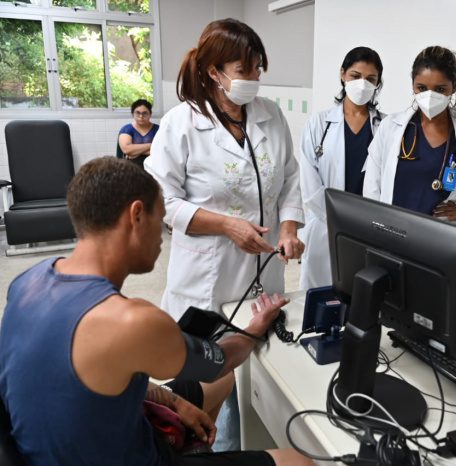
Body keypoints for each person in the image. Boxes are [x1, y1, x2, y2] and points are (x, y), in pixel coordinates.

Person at [0, 157, 312, 466]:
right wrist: (256, 325)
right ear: (136, 215)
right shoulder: (132, 321)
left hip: (50, 450)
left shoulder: (28, 281)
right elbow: (220, 360)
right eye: (161, 218)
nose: (165, 236)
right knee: (298, 461)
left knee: (222, 384)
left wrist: (175, 401)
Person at [144, 19, 304, 451]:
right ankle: (219, 449)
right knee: (212, 378)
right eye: (244, 68)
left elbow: (289, 178)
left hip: (262, 273)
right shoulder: (181, 124)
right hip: (207, 279)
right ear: (214, 72)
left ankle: (253, 442)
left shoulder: (271, 115)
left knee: (261, 369)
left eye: (258, 68)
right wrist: (226, 225)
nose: (254, 78)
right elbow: (163, 202)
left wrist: (288, 227)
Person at [363, 46, 456, 223]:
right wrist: (372, 225)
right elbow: (372, 185)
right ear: (413, 84)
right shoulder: (390, 127)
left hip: (435, 237)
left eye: (440, 89)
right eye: (422, 87)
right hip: (388, 228)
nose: (430, 96)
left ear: (455, 86)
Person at [299, 46, 385, 289]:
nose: (362, 84)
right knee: (320, 297)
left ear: (378, 83)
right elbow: (309, 182)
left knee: (362, 299)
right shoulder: (319, 123)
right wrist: (337, 220)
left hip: (369, 228)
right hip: (326, 224)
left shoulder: (386, 127)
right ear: (342, 75)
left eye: (371, 79)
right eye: (355, 76)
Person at [119, 99, 160, 168]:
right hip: (132, 168)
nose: (141, 116)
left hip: (154, 167)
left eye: (144, 113)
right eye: (137, 113)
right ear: (133, 114)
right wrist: (152, 145)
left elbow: (162, 150)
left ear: (150, 114)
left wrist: (135, 152)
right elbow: (126, 150)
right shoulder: (126, 129)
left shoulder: (158, 129)